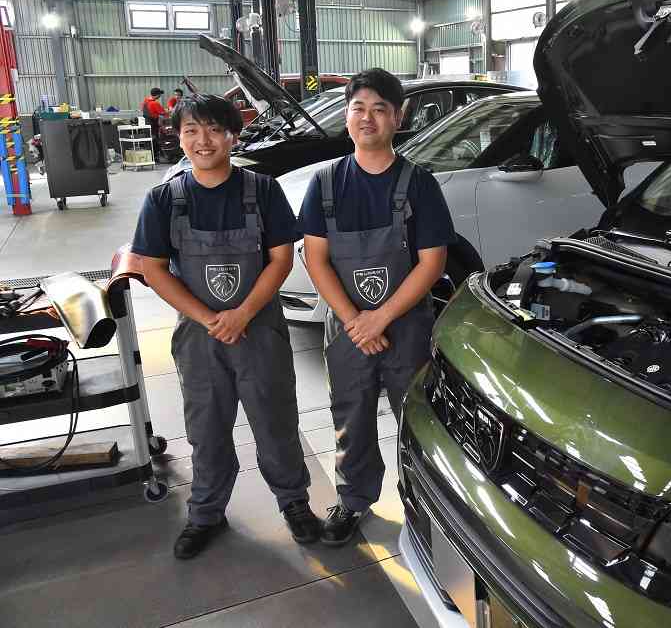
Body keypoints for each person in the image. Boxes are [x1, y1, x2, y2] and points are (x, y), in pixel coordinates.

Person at [132, 94, 322, 560]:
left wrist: (242, 313)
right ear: (177, 136)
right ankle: (206, 512)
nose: (203, 140)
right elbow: (153, 268)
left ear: (233, 135)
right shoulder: (164, 199)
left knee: (275, 419)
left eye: (214, 129)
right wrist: (209, 318)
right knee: (207, 426)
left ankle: (294, 502)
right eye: (191, 130)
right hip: (200, 337)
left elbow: (280, 259)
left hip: (260, 330)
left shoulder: (262, 190)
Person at [300, 69, 453, 546]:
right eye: (358, 108)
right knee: (352, 415)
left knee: (416, 418)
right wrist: (354, 321)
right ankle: (354, 500)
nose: (368, 118)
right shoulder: (324, 184)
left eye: (380, 109)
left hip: (404, 327)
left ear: (397, 117)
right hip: (348, 328)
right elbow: (315, 257)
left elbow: (432, 263)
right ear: (347, 117)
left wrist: (380, 318)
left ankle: (422, 505)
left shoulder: (419, 184)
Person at [141, 87, 167, 160]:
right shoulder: (155, 103)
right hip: (153, 124)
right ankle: (155, 157)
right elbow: (164, 113)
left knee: (149, 141)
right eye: (160, 94)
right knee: (155, 141)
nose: (160, 96)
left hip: (146, 124)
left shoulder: (145, 101)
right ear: (157, 95)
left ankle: (150, 157)